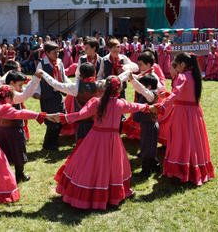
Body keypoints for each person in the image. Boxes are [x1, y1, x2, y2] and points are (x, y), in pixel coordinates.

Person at [51, 76, 149, 209]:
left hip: (95, 137)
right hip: (113, 140)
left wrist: (63, 117)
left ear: (103, 88)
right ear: (119, 88)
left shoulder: (97, 102)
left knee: (90, 164)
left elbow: (81, 115)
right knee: (113, 165)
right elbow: (136, 106)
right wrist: (149, 107)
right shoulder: (121, 104)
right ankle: (110, 194)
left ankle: (89, 191)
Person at [150, 52, 215, 186]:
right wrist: (169, 96)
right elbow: (184, 94)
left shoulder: (182, 76)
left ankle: (182, 169)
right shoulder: (195, 75)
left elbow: (176, 93)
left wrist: (161, 105)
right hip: (195, 111)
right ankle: (195, 168)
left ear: (183, 64)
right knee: (194, 140)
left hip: (183, 112)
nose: (175, 66)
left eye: (176, 63)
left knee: (181, 140)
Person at [39, 62, 105, 143]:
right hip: (100, 124)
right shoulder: (102, 85)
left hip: (84, 125)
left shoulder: (76, 87)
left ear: (80, 76)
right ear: (95, 74)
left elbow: (56, 85)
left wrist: (43, 73)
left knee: (82, 149)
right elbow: (120, 78)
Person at [0, 70, 43, 182]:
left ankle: (4, 174)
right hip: (14, 129)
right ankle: (19, 175)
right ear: (11, 83)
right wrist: (35, 78)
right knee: (18, 151)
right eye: (20, 85)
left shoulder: (1, 91)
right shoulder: (12, 94)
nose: (21, 88)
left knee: (5, 152)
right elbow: (25, 95)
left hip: (2, 128)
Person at [33, 41, 70, 151]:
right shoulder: (42, 64)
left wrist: (68, 87)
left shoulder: (59, 62)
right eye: (54, 53)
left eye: (58, 52)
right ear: (47, 53)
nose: (57, 55)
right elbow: (38, 81)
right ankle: (47, 144)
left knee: (62, 118)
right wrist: (37, 92)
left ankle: (54, 140)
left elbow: (63, 76)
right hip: (48, 96)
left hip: (58, 94)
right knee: (52, 121)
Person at [121, 52, 163, 140]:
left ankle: (144, 143)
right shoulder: (144, 73)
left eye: (140, 64)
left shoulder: (152, 76)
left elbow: (159, 87)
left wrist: (149, 90)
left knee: (146, 124)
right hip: (143, 99)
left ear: (148, 65)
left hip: (147, 102)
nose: (139, 66)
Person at [129, 73, 160, 177]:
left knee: (148, 147)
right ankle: (155, 165)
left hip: (150, 125)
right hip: (146, 124)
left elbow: (141, 89)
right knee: (147, 145)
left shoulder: (150, 95)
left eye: (142, 85)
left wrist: (132, 79)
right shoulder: (150, 93)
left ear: (149, 87)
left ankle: (146, 171)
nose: (140, 87)